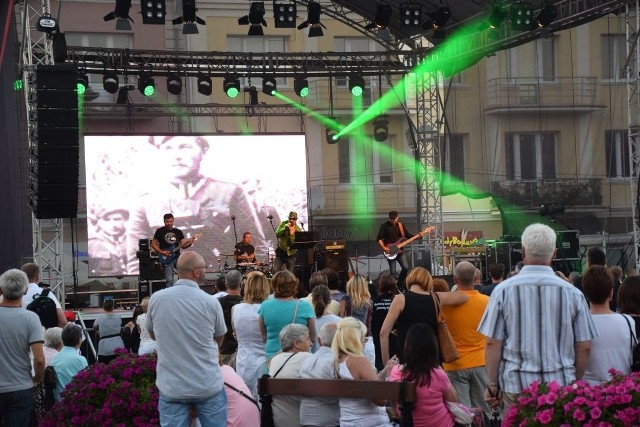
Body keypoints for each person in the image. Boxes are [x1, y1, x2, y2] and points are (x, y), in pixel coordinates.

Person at [478, 223, 598, 415]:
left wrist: (492, 385)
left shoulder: (502, 292)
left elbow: (492, 343)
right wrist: (573, 380)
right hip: (560, 386)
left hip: (516, 387)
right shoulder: (573, 294)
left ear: (523, 252)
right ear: (555, 253)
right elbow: (584, 346)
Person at [127, 136, 264, 274]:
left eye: (185, 147)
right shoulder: (146, 202)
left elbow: (256, 245)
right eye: (168, 149)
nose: (177, 156)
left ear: (203, 151)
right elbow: (136, 259)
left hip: (221, 281)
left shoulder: (229, 192)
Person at [146, 251, 227, 427]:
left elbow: (153, 334)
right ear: (197, 272)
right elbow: (219, 339)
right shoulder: (210, 302)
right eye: (204, 267)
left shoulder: (157, 299)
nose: (206, 271)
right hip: (207, 383)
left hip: (172, 386)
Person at [380, 267, 468, 365]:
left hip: (407, 360)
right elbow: (464, 297)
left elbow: (383, 333)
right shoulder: (436, 298)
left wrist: (386, 363)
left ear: (409, 279)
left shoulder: (400, 299)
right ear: (428, 281)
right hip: (432, 360)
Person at [441, 261, 490, 413]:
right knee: (484, 410)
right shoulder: (487, 301)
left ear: (455, 279)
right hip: (481, 361)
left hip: (454, 363)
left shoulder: (445, 303)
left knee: (462, 412)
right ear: (476, 278)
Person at [388, 323, 458, 426]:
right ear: (433, 348)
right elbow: (453, 401)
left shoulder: (395, 372)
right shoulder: (438, 374)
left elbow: (395, 410)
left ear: (407, 347)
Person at [0, 269, 45, 426]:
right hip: (21, 387)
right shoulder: (31, 318)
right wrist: (37, 379)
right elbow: (39, 359)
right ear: (25, 290)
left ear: (1, 289)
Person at [332, 317, 396, 427]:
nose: (364, 341)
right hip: (370, 422)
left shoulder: (336, 362)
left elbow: (367, 384)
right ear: (355, 338)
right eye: (363, 337)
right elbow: (380, 400)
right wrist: (390, 377)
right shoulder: (359, 361)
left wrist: (384, 372)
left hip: (347, 422)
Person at [581, 265, 635, 384]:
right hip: (622, 390)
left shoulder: (579, 323)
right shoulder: (628, 321)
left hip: (588, 393)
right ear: (611, 292)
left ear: (586, 292)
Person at [259, 270, 316, 358]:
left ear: (274, 286)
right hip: (299, 355)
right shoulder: (304, 306)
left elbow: (264, 337)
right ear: (294, 286)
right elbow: (313, 337)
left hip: (273, 356)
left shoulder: (265, 306)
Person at [231, 273, 270, 399]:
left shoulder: (236, 309)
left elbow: (235, 334)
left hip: (243, 361)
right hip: (264, 361)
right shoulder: (266, 309)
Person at [268, 324, 313, 427]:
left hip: (277, 420)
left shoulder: (274, 360)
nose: (311, 343)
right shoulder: (308, 358)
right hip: (301, 422)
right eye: (307, 339)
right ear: (296, 343)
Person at [299, 322, 340, 427]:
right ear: (340, 341)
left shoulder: (306, 360)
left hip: (305, 419)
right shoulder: (336, 362)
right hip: (331, 421)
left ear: (319, 340)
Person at [376, 211, 426, 290]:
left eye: (394, 219)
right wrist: (383, 248)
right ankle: (392, 289)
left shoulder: (400, 225)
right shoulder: (384, 226)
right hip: (390, 251)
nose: (393, 220)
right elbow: (379, 238)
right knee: (393, 271)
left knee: (406, 268)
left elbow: (408, 236)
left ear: (397, 217)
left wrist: (419, 236)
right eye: (391, 219)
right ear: (389, 218)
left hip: (400, 251)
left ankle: (399, 285)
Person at [151, 213, 195, 287]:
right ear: (164, 221)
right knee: (169, 281)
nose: (169, 223)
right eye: (167, 222)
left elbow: (183, 246)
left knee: (184, 276)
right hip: (166, 258)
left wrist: (190, 243)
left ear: (173, 221)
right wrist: (162, 252)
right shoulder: (159, 231)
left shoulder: (178, 231)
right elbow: (153, 244)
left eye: (170, 221)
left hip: (177, 257)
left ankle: (181, 292)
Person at [49, 323, 88, 402]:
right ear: (79, 340)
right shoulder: (80, 359)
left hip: (58, 401)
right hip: (76, 401)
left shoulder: (54, 358)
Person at [21, 263, 67, 328]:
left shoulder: (16, 295)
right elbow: (63, 322)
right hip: (44, 334)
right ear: (37, 277)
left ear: (22, 277)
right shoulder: (46, 293)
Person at [88, 205, 129, 276]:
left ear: (125, 220)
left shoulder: (133, 241)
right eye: (107, 220)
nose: (113, 224)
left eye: (117, 219)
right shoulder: (90, 244)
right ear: (98, 222)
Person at [371, 273, 398, 372]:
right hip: (396, 342)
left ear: (379, 286)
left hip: (377, 342)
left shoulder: (373, 302)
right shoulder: (398, 301)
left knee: (381, 370)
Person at [218, 270, 243, 365]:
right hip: (241, 351)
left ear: (226, 284)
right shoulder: (245, 304)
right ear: (241, 283)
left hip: (224, 350)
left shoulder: (217, 303)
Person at [309, 285, 341, 353]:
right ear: (329, 300)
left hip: (314, 359)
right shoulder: (339, 321)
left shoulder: (309, 322)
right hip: (334, 359)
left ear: (312, 300)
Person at [93, 298, 125, 364]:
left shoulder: (100, 317)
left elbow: (94, 326)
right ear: (113, 307)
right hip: (118, 346)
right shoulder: (118, 316)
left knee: (104, 370)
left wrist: (98, 332)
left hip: (104, 348)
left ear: (103, 307)